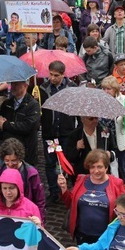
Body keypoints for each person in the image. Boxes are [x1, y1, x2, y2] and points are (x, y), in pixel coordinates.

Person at [39, 61, 78, 200]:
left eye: (56, 75)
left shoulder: (71, 88)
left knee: (67, 162)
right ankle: (54, 192)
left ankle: (68, 191)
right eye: (51, 75)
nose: (53, 78)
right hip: (50, 133)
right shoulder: (43, 88)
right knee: (50, 164)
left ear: (63, 74)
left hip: (66, 132)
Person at [0, 138, 45, 222]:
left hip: (25, 215)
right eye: (7, 161)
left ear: (20, 158)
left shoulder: (31, 173)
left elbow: (40, 200)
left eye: (14, 160)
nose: (10, 164)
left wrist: (40, 222)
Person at [0, 80, 41, 166]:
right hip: (8, 151)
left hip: (26, 153)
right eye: (12, 84)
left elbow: (28, 126)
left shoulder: (33, 105)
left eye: (17, 84)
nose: (13, 86)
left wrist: (6, 124)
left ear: (25, 85)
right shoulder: (7, 103)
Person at [100, 76, 125, 183]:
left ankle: (122, 186)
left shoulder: (124, 100)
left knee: (121, 166)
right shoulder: (101, 101)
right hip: (106, 140)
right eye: (104, 89)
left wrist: (122, 118)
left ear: (115, 89)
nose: (106, 91)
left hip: (121, 140)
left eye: (109, 89)